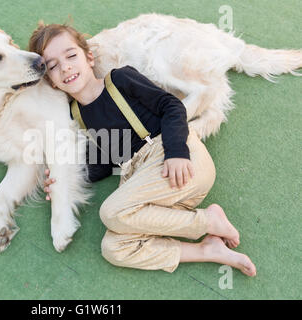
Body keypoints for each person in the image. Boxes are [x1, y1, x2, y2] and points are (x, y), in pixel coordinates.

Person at [28, 23, 256, 276]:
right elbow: (106, 160)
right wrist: (66, 178)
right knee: (113, 248)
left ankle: (207, 222)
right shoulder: (77, 115)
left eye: (71, 56)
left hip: (173, 159)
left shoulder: (119, 79)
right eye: (53, 66)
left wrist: (176, 151)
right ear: (51, 81)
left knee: (110, 212)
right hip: (155, 191)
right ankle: (207, 250)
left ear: (89, 57)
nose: (66, 67)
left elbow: (171, 106)